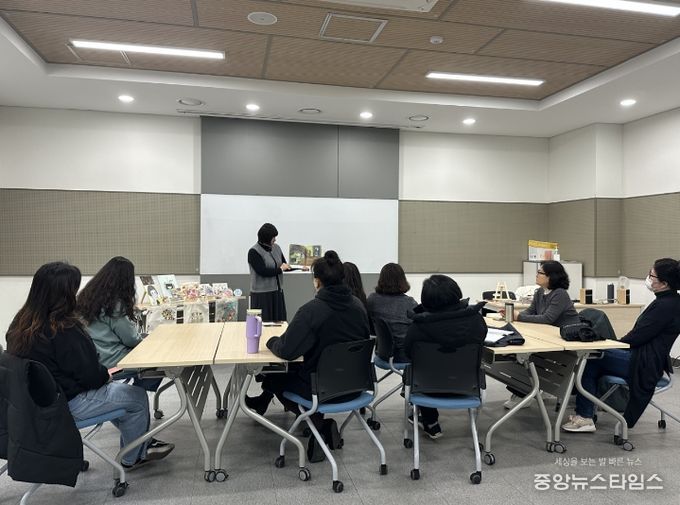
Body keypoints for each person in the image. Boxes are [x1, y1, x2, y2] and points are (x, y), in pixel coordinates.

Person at [5, 262, 173, 470]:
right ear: (65, 294)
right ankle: (133, 458)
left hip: (31, 403)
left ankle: (139, 440)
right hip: (67, 403)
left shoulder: (20, 323)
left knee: (120, 396)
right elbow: (92, 376)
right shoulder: (64, 328)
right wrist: (106, 376)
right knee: (136, 398)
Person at [245, 251, 370, 417]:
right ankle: (314, 422)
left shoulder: (311, 312)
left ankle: (318, 424)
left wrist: (271, 341)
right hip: (355, 386)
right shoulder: (358, 306)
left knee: (274, 375)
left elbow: (287, 351)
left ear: (317, 281)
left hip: (319, 389)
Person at [562, 258, 680, 433]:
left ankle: (585, 416)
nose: (648, 279)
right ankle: (585, 414)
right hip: (644, 358)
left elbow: (637, 337)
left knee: (590, 357)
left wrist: (612, 344)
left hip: (643, 363)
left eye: (651, 276)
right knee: (592, 358)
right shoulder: (669, 301)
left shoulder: (665, 306)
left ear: (664, 283)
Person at [404, 275, 487, 439]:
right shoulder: (476, 320)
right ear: (456, 293)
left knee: (417, 369)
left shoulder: (418, 326)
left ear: (426, 300)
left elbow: (408, 354)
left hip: (426, 388)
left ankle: (430, 422)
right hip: (467, 386)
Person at [501, 260, 580, 409]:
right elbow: (530, 312)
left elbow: (547, 318)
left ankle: (524, 393)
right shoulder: (540, 292)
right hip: (548, 336)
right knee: (524, 353)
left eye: (540, 273)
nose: (536, 275)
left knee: (530, 355)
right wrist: (513, 315)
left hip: (565, 339)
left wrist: (519, 316)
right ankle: (523, 391)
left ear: (551, 276)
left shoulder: (560, 294)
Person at [77, 256, 161, 391]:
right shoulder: (113, 305)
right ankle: (138, 393)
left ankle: (136, 392)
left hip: (93, 358)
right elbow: (131, 339)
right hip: (113, 360)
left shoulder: (84, 298)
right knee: (157, 358)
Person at [367, 262, 417, 362]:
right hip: (405, 356)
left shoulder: (372, 299)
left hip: (382, 354)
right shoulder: (410, 303)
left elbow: (370, 328)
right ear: (402, 280)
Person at [248, 223, 291, 322]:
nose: (275, 240)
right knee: (263, 323)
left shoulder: (277, 248)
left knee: (279, 322)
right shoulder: (254, 251)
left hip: (277, 292)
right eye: (273, 237)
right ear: (266, 238)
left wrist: (300, 267)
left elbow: (284, 265)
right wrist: (280, 269)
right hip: (261, 295)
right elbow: (262, 271)